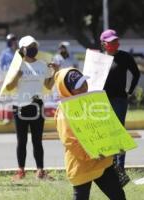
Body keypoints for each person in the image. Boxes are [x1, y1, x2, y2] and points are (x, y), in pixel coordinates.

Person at [55, 67, 126, 200]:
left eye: (84, 82)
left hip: (102, 162)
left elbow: (106, 127)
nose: (83, 87)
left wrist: (114, 143)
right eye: (78, 86)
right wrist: (91, 154)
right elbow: (70, 141)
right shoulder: (64, 111)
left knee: (118, 196)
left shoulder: (93, 101)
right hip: (81, 166)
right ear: (67, 90)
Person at [6, 35, 58, 180]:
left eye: (34, 46)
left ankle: (40, 170)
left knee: (37, 140)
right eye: (29, 47)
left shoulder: (42, 64)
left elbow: (48, 85)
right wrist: (17, 76)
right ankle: (21, 171)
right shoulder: (17, 64)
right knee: (21, 140)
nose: (33, 49)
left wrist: (55, 72)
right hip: (19, 107)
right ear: (22, 49)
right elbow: (9, 87)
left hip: (37, 105)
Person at [100, 29, 140, 175]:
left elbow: (136, 73)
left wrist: (129, 91)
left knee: (119, 132)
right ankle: (108, 166)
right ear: (103, 43)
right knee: (105, 132)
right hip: (101, 101)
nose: (114, 44)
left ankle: (120, 167)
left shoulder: (125, 57)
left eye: (116, 41)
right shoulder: (98, 58)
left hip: (119, 100)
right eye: (111, 42)